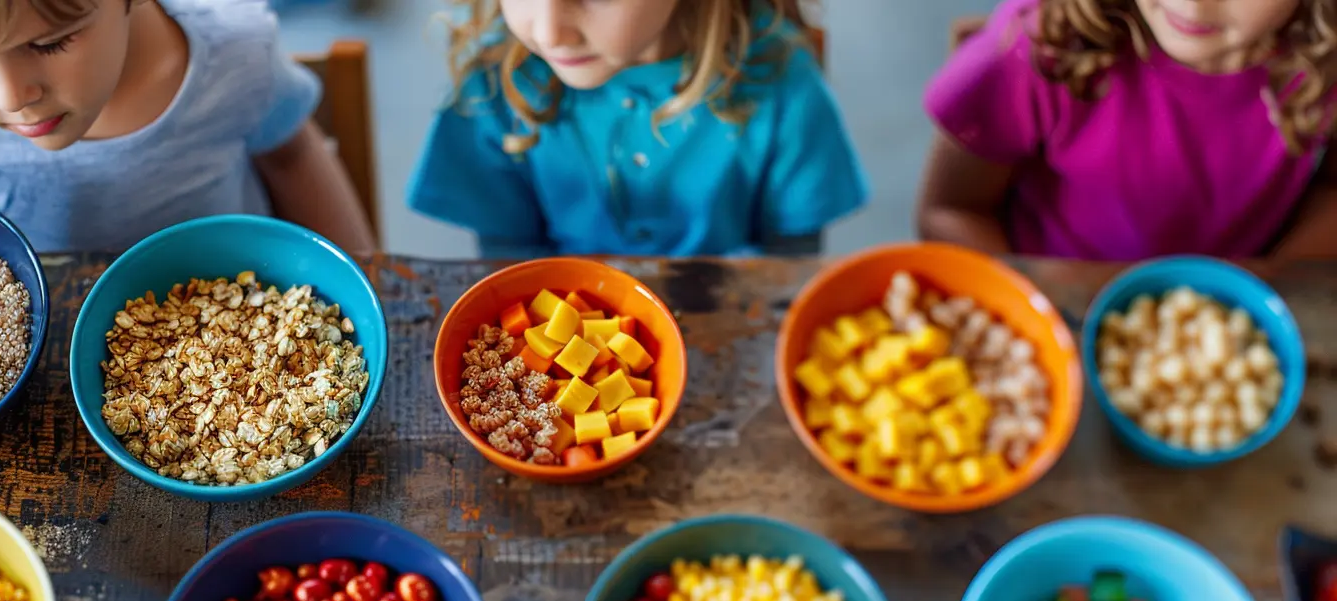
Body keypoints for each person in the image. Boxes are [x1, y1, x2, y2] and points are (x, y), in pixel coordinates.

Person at [0, 0, 376, 254]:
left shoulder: (236, 57)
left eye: (50, 43)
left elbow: (292, 155)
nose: (10, 96)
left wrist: (369, 279)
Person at [407, 0, 867, 259]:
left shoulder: (780, 80)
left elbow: (793, 259)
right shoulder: (494, 81)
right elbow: (506, 253)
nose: (549, 32)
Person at [917, 0, 1337, 263]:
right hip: (1057, 307)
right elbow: (949, 212)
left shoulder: (1326, 60)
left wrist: (1264, 290)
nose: (1192, 4)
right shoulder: (1038, 45)